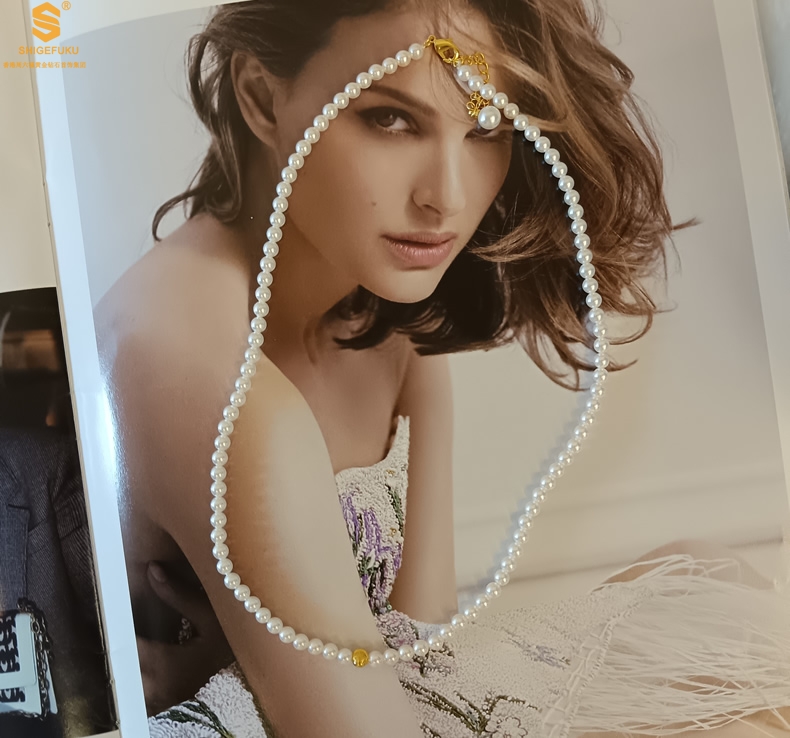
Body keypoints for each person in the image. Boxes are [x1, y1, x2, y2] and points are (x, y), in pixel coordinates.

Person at [93, 0, 790, 736]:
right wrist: (239, 696)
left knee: (709, 585)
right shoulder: (202, 370)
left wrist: (250, 676)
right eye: (391, 120)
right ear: (262, 98)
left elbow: (429, 657)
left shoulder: (386, 335)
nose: (446, 198)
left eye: (486, 127)